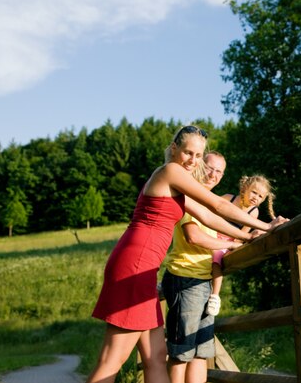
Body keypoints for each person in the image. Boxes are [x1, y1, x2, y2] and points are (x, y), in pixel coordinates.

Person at [87, 125, 287, 383]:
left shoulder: (177, 186)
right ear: (174, 149)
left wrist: (248, 235)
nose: (193, 161)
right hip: (134, 266)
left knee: (156, 357)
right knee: (112, 361)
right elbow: (217, 204)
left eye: (198, 155)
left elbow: (207, 216)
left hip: (145, 270)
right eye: (188, 153)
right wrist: (267, 226)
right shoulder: (170, 172)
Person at [161, 147, 232, 383]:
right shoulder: (188, 197)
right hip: (186, 277)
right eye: (210, 168)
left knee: (201, 352)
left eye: (219, 172)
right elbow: (194, 237)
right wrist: (232, 245)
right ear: (200, 167)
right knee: (182, 353)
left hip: (203, 281)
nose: (213, 175)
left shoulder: (206, 203)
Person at [206, 175, 276, 316]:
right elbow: (209, 211)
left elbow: (241, 235)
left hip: (226, 241)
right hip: (211, 232)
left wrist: (230, 246)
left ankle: (215, 296)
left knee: (216, 259)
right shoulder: (228, 198)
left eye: (260, 196)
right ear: (244, 189)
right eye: (254, 192)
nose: (256, 197)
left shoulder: (253, 212)